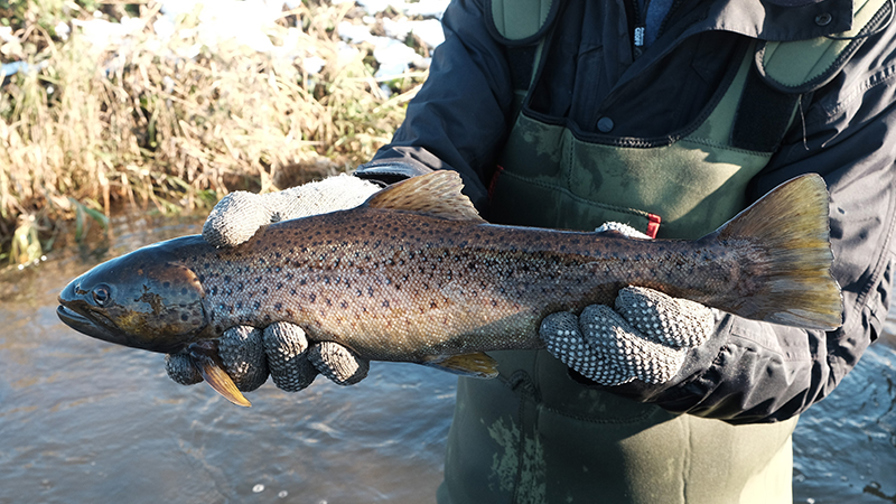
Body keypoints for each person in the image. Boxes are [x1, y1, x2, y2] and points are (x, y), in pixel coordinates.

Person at [167, 0, 896, 502]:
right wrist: (351, 211)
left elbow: (823, 328)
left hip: (700, 479)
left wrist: (702, 354)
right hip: (486, 465)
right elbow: (434, 156)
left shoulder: (855, 29)